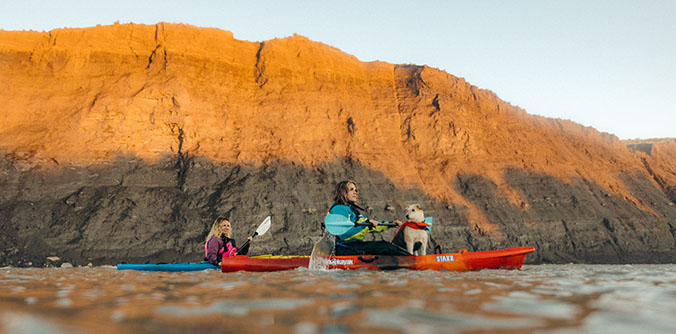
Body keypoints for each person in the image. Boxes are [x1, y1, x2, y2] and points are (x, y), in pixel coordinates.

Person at [328, 180, 410, 256]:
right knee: (385, 246)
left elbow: (370, 227)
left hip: (354, 246)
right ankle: (413, 261)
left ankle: (410, 258)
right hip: (343, 248)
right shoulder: (338, 209)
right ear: (343, 192)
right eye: (351, 190)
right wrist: (364, 225)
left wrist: (390, 224)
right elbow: (343, 233)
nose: (355, 192)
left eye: (356, 190)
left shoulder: (353, 210)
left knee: (387, 245)